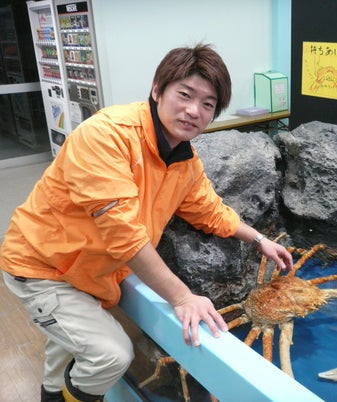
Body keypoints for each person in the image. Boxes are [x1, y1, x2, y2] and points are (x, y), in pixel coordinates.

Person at [0, 44, 293, 402]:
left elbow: (210, 209)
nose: (193, 111)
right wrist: (182, 297)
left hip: (88, 272)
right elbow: (123, 234)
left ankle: (51, 394)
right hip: (43, 267)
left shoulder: (184, 161)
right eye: (185, 95)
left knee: (65, 347)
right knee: (110, 354)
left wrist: (259, 240)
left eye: (207, 104)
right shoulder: (107, 135)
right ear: (157, 89)